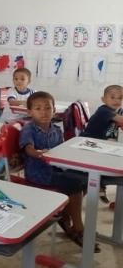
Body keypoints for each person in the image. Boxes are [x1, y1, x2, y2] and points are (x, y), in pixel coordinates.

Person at [19, 92, 99, 252]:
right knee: (74, 184)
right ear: (29, 112)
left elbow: (62, 150)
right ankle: (78, 227)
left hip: (56, 169)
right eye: (38, 108)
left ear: (54, 110)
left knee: (83, 180)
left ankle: (66, 216)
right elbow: (28, 148)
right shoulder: (29, 129)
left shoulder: (56, 129)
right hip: (39, 173)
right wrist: (39, 153)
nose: (43, 112)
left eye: (48, 108)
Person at [80, 84, 123, 203]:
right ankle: (92, 189)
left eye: (120, 98)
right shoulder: (104, 110)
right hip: (88, 143)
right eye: (112, 97)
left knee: (107, 164)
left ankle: (101, 188)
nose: (116, 101)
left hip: (103, 145)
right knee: (92, 173)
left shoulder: (119, 110)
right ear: (103, 99)